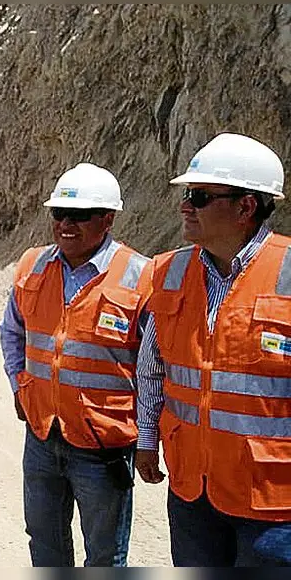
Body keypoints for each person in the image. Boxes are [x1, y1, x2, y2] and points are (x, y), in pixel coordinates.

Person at [135, 132, 291, 566]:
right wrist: (147, 436)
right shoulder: (169, 270)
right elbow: (153, 365)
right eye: (188, 194)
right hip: (192, 490)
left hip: (274, 504)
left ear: (246, 207)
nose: (186, 206)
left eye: (200, 196)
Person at [0, 163, 152, 566]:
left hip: (104, 446)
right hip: (43, 436)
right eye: (59, 214)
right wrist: (19, 384)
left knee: (104, 556)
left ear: (108, 218)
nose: (66, 224)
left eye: (79, 216)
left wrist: (150, 436)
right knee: (45, 544)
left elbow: (155, 367)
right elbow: (12, 331)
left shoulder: (139, 276)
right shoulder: (33, 265)